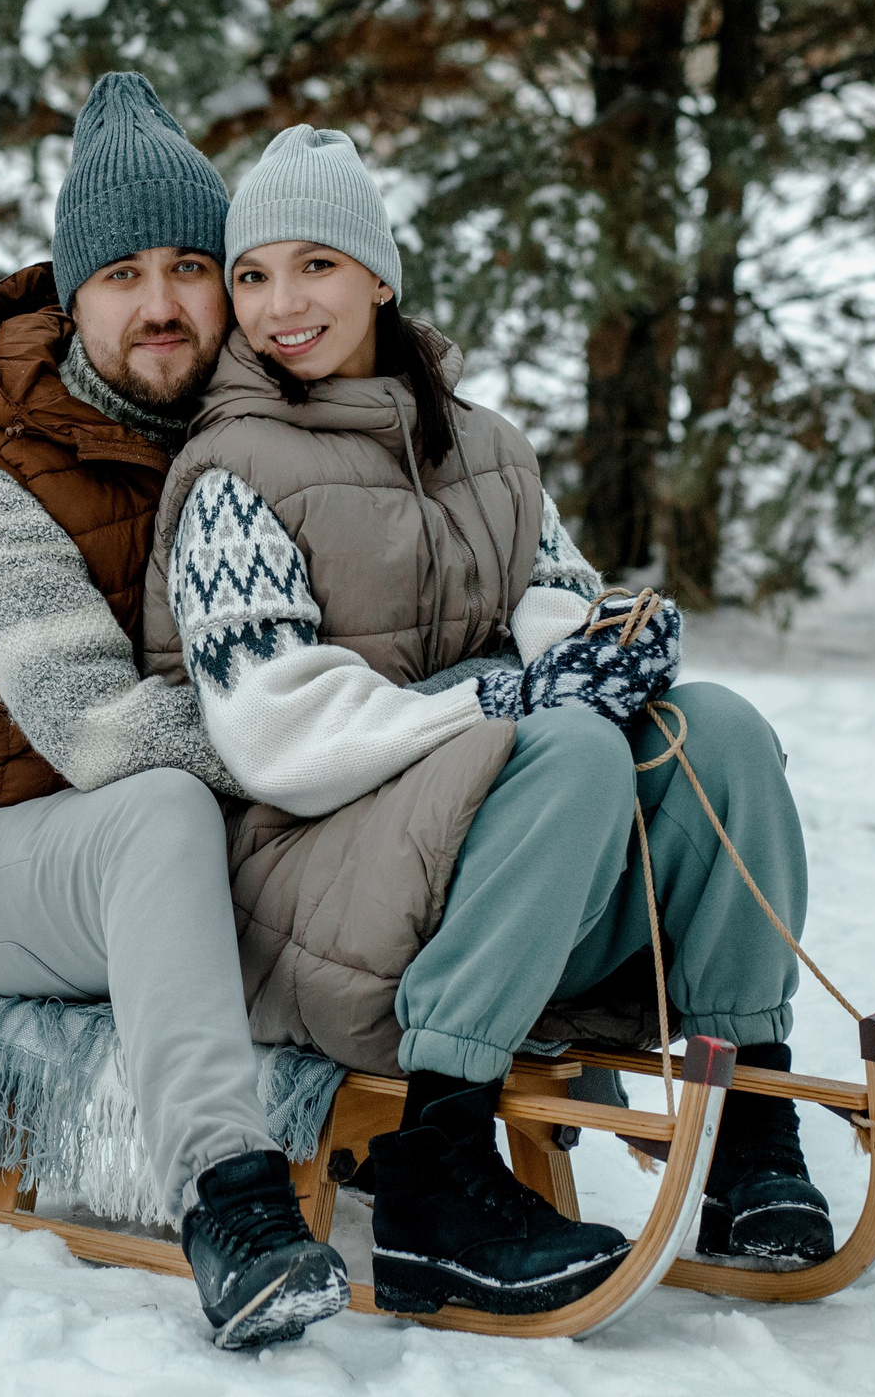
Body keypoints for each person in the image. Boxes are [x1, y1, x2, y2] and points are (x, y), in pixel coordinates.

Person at [141, 124, 833, 1318]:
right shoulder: (231, 472)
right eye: (251, 275)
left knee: (712, 726)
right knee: (563, 743)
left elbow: (552, 608)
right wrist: (503, 700)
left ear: (379, 275)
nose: (280, 304)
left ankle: (748, 1125)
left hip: (483, 860)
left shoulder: (489, 450)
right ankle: (434, 1166)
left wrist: (611, 647)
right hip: (305, 884)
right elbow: (272, 729)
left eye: (315, 265)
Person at [0, 74, 348, 1348]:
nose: (160, 304)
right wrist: (354, 742)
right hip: (10, 861)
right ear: (69, 294)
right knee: (155, 805)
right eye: (121, 275)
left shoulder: (264, 422)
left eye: (190, 268)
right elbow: (94, 730)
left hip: (225, 836)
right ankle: (231, 1201)